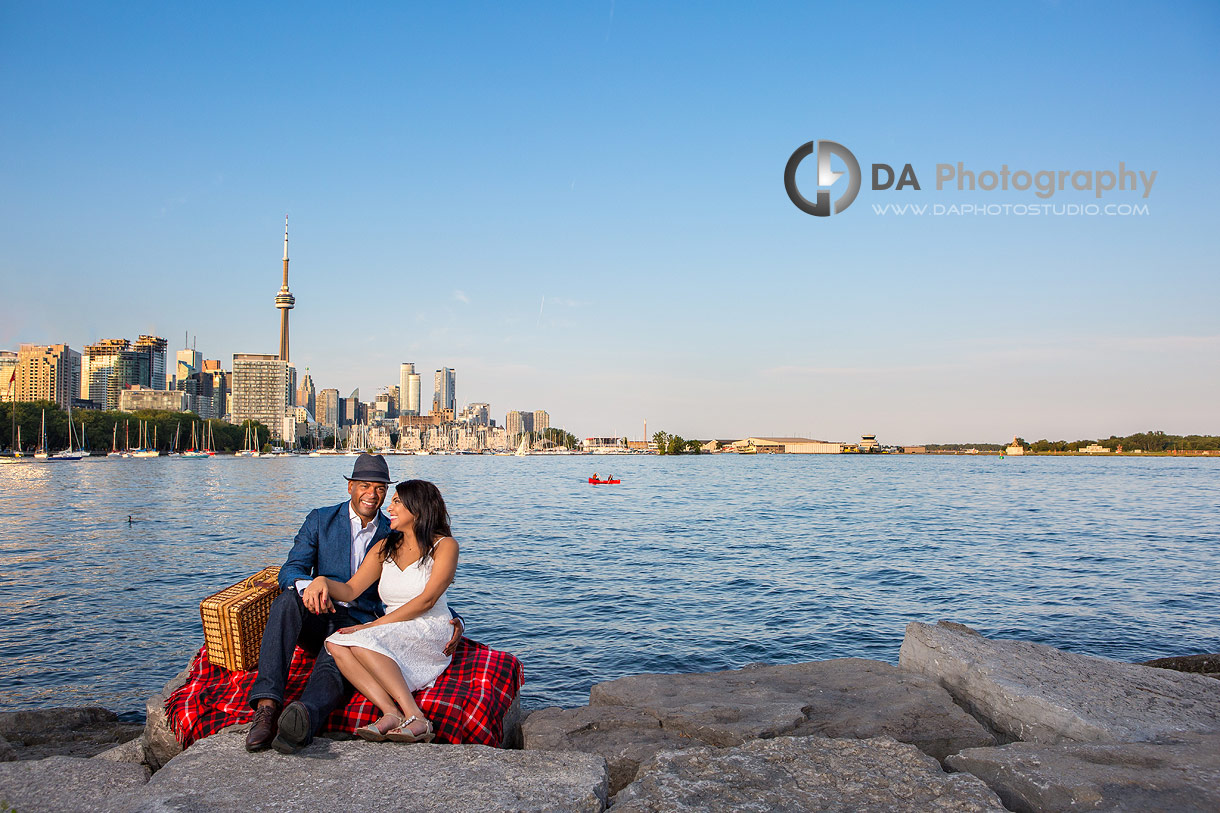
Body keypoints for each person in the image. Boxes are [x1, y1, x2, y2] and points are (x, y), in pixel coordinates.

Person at [244, 454, 462, 754]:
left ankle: (304, 716)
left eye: (382, 489)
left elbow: (429, 593)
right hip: (318, 612)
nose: (374, 496)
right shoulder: (322, 520)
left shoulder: (394, 532)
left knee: (338, 653)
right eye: (364, 486)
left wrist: (457, 621)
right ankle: (267, 707)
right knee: (286, 602)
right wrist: (315, 583)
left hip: (361, 620)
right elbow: (294, 571)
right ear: (350, 487)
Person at [317, 478, 458, 742]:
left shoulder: (445, 546)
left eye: (396, 502)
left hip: (429, 625)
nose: (389, 508)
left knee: (361, 641)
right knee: (335, 643)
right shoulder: (384, 547)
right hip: (394, 624)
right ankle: (390, 712)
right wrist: (321, 582)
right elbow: (350, 590)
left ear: (417, 509)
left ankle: (417, 716)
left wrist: (371, 626)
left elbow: (428, 601)